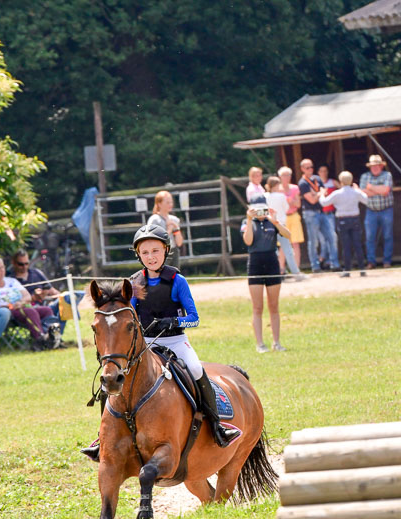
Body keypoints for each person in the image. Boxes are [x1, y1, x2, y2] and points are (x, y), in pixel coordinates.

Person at [81, 223, 241, 461]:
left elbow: (194, 318)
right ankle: (102, 437)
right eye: (145, 252)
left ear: (165, 250)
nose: (150, 257)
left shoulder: (177, 280)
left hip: (176, 341)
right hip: (145, 343)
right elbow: (128, 316)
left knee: (196, 369)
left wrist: (173, 322)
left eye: (155, 251)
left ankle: (218, 425)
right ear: (138, 255)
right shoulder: (133, 284)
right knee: (112, 379)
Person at [241, 195, 290, 353]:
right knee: (257, 307)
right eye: (256, 208)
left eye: (262, 208)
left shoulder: (272, 221)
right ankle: (260, 343)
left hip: (271, 263)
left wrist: (275, 221)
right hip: (255, 263)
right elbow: (248, 241)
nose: (260, 212)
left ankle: (276, 342)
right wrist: (249, 220)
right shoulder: (247, 222)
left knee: (274, 305)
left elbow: (288, 235)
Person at [0, 256, 53, 350]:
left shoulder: (12, 281)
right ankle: (39, 339)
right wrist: (11, 306)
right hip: (9, 312)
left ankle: (52, 338)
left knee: (46, 310)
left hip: (22, 306)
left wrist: (21, 302)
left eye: (2, 267)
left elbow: (27, 296)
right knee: (30, 312)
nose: (1, 270)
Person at [7, 249, 83, 337]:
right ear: (13, 263)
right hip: (28, 309)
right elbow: (14, 302)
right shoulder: (11, 280)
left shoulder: (36, 273)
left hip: (46, 305)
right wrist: (34, 297)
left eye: (26, 263)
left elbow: (53, 291)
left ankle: (55, 337)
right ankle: (50, 338)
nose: (24, 266)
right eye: (21, 264)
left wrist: (48, 295)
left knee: (67, 298)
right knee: (42, 310)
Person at [319, 171, 369, 277]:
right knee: (357, 245)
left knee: (346, 246)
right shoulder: (355, 192)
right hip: (355, 219)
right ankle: (362, 269)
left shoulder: (337, 193)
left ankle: (347, 270)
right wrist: (358, 189)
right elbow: (366, 200)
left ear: (341, 181)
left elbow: (324, 203)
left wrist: (322, 194)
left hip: (342, 220)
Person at [298, 159, 340, 273]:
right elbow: (311, 200)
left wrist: (316, 194)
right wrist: (319, 194)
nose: (310, 170)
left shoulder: (317, 178)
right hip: (310, 214)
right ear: (302, 169)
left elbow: (324, 192)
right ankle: (315, 266)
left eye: (311, 167)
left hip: (322, 212)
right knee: (314, 241)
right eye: (307, 168)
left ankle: (334, 264)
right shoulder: (302, 183)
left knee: (332, 237)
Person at [265, 175, 304, 279]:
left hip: (269, 226)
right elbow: (286, 208)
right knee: (288, 250)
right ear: (277, 185)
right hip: (281, 224)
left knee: (273, 251)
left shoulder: (265, 196)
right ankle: (296, 273)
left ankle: (276, 272)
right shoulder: (281, 196)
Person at [359, 154, 394, 268]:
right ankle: (371, 262)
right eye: (373, 166)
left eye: (377, 165)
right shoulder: (364, 176)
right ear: (369, 167)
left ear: (381, 166)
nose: (375, 168)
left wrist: (371, 188)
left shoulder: (387, 175)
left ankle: (387, 261)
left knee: (388, 236)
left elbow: (386, 191)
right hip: (371, 211)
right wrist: (379, 190)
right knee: (370, 237)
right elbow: (363, 193)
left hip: (386, 210)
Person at [147, 191, 183, 268]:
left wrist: (176, 228)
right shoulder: (154, 220)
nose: (170, 205)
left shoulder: (174, 219)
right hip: (160, 253)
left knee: (174, 277)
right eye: (167, 202)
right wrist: (169, 229)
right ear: (159, 204)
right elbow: (154, 241)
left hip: (174, 251)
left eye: (171, 202)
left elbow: (179, 243)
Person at [278, 166, 304, 269]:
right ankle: (281, 269)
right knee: (282, 245)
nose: (287, 177)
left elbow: (298, 204)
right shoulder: (277, 189)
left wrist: (290, 201)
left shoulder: (294, 188)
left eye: (288, 175)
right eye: (284, 175)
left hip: (293, 216)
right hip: (282, 218)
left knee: (296, 244)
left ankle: (296, 269)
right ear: (280, 177)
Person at [317, 164, 339, 267]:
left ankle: (329, 260)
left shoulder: (332, 182)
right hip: (319, 214)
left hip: (330, 214)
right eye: (321, 171)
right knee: (322, 239)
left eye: (325, 171)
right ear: (318, 173)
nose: (324, 173)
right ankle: (322, 258)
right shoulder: (316, 184)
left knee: (331, 237)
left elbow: (342, 189)